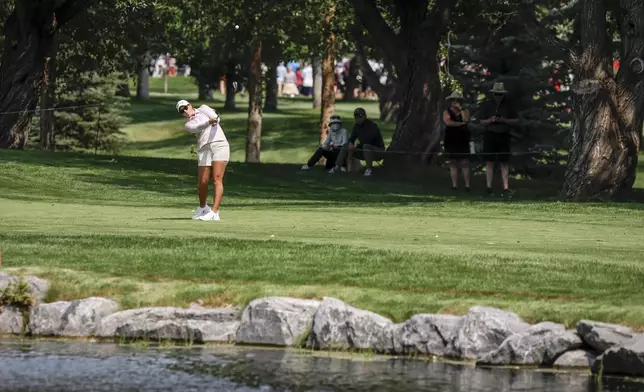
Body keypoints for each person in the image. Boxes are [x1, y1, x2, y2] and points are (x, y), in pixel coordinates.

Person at [176, 99, 230, 221]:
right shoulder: (188, 124)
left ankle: (215, 212)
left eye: (185, 107)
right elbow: (198, 127)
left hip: (219, 144)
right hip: (204, 148)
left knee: (217, 178)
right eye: (182, 111)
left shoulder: (204, 108)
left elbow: (216, 117)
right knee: (203, 181)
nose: (185, 111)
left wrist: (214, 120)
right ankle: (203, 208)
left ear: (190, 105)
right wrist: (208, 122)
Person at [477, 82, 520, 196]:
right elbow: (481, 121)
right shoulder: (487, 105)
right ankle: (488, 187)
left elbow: (516, 120)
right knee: (489, 161)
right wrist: (490, 120)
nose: (498, 96)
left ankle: (506, 188)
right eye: (496, 94)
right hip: (490, 134)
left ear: (503, 95)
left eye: (500, 94)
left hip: (504, 135)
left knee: (504, 162)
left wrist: (503, 120)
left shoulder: (509, 106)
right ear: (493, 94)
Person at [332, 107, 385, 177]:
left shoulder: (372, 126)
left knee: (366, 146)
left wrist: (356, 146)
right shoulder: (356, 126)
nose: (358, 119)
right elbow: (352, 138)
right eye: (356, 116)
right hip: (363, 150)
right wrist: (351, 144)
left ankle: (369, 169)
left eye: (360, 117)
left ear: (365, 116)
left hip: (377, 150)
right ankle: (336, 167)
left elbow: (368, 141)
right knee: (345, 146)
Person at [442, 91, 471, 191]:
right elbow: (448, 122)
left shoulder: (464, 111)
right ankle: (454, 185)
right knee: (453, 162)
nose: (455, 102)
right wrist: (460, 124)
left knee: (464, 162)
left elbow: (466, 120)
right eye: (453, 100)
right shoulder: (447, 111)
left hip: (463, 138)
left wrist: (460, 109)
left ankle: (467, 185)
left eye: (457, 100)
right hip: (451, 138)